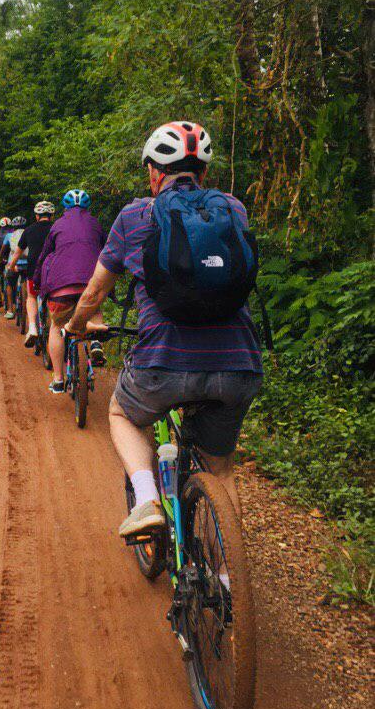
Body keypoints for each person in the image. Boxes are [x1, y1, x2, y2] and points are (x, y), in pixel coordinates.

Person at [65, 121, 263, 537]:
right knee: (221, 469)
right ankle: (227, 569)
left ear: (154, 173)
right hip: (238, 366)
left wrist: (76, 325)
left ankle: (147, 500)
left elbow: (95, 292)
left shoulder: (134, 216)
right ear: (203, 173)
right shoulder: (234, 209)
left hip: (163, 363)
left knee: (120, 413)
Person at [32, 190, 107, 392]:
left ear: (65, 208)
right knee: (94, 308)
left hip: (60, 287)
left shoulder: (57, 226)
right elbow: (108, 251)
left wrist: (37, 281)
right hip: (90, 284)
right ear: (87, 207)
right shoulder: (96, 224)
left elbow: (44, 256)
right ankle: (95, 342)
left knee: (56, 327)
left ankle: (58, 379)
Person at [8, 201, 55, 348]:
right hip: (53, 271)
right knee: (54, 297)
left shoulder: (28, 230)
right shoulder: (56, 228)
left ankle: (33, 328)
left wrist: (11, 266)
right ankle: (55, 327)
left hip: (34, 270)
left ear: (36, 216)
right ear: (52, 216)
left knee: (32, 297)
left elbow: (17, 252)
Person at [0, 217, 27, 320]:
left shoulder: (9, 236)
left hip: (13, 265)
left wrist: (0, 259)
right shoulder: (28, 233)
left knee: (9, 284)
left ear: (13, 227)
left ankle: (10, 310)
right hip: (27, 264)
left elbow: (3, 250)